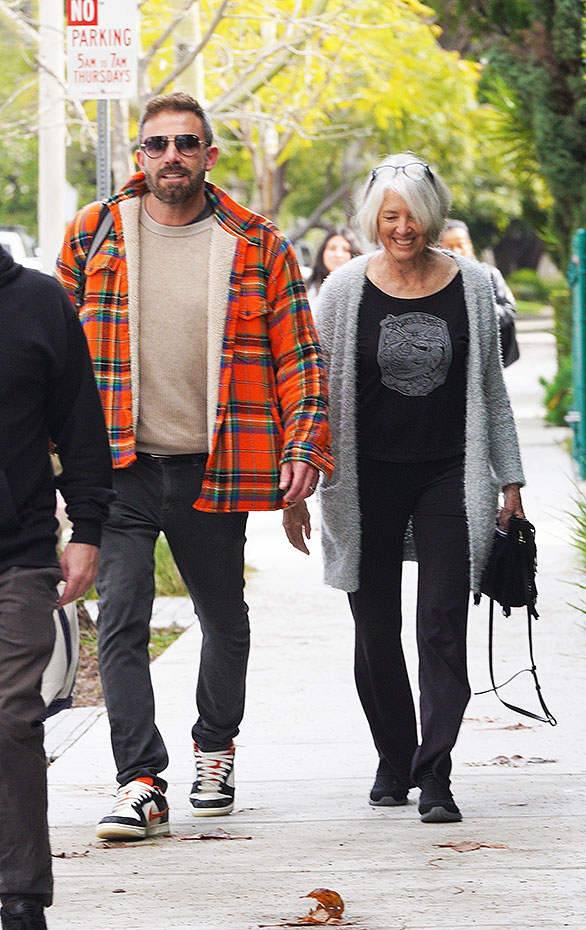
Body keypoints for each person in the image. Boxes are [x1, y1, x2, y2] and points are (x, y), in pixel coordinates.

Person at [56, 92, 333, 841]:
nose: (170, 156)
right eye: (157, 144)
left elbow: (300, 358)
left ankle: (215, 746)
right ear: (139, 155)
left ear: (209, 155)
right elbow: (53, 353)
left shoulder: (256, 241)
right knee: (120, 621)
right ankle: (140, 780)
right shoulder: (93, 233)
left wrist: (303, 447)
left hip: (216, 466)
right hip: (118, 468)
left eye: (186, 143)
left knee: (224, 620)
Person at [283, 153, 525, 823]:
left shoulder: (471, 284)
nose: (402, 228)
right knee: (375, 628)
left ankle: (435, 771)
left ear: (433, 216)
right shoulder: (343, 290)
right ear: (373, 220)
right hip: (364, 478)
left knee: (442, 623)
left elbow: (491, 389)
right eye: (390, 216)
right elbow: (315, 392)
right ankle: (395, 756)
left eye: (413, 215)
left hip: (450, 472)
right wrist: (297, 483)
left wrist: (509, 479)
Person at [0, 245, 113, 929]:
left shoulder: (40, 302)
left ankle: (19, 895)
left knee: (10, 714)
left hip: (17, 553)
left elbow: (80, 424)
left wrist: (88, 527)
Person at [439, 219, 519, 366]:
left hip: (486, 357)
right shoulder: (434, 281)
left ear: (470, 245)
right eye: (449, 246)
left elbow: (509, 309)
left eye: (460, 245)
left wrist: (478, 311)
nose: (456, 251)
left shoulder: (488, 274)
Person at [305, 228, 360, 308]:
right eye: (332, 248)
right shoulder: (306, 290)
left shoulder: (361, 291)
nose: (338, 254)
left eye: (345, 249)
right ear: (322, 253)